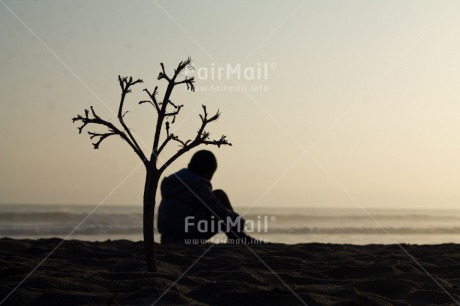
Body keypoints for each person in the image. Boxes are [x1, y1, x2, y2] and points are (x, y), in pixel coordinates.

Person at [157, 150, 256, 244]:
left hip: (167, 236)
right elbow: (219, 212)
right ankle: (237, 237)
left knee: (217, 196)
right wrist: (239, 222)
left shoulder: (175, 180)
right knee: (220, 196)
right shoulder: (197, 185)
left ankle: (237, 236)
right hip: (184, 235)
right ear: (207, 171)